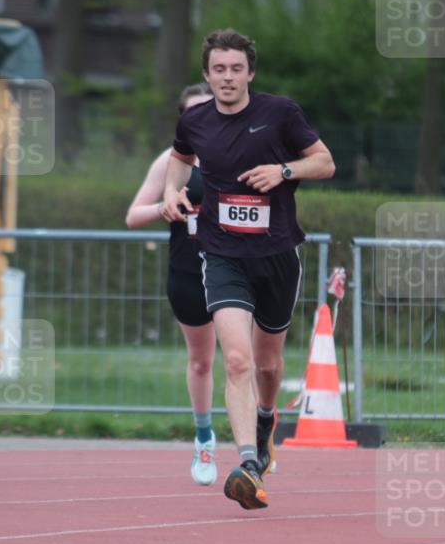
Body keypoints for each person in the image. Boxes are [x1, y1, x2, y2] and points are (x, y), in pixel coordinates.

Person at [162, 29, 335, 510]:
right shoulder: (194, 121)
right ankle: (247, 465)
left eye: (236, 69)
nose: (227, 77)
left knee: (267, 365)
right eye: (219, 69)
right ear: (206, 74)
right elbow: (179, 159)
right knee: (236, 360)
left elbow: (325, 163)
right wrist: (171, 192)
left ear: (250, 73)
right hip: (221, 255)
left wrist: (283, 171)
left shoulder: (280, 113)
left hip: (276, 255)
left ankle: (266, 417)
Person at [126, 83, 218, 485]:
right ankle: (204, 437)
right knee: (201, 360)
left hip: (236, 269)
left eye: (208, 110)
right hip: (187, 270)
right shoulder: (170, 161)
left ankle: (255, 443)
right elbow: (133, 216)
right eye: (192, 113)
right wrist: (163, 206)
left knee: (243, 359)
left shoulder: (239, 153)